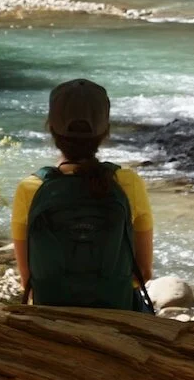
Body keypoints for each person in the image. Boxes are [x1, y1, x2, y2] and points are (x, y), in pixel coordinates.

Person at [12, 78, 154, 310]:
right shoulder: (128, 183)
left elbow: (28, 280)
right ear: (105, 131)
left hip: (53, 315)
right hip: (116, 313)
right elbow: (144, 272)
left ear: (51, 128)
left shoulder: (30, 188)